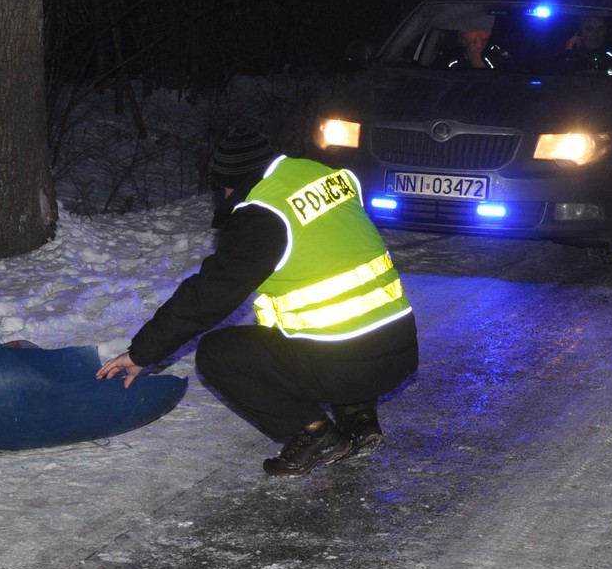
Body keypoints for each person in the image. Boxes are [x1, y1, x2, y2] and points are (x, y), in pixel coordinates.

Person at [97, 131, 418, 477]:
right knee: (331, 327)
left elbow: (206, 297)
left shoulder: (263, 213)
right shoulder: (322, 174)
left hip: (347, 364)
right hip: (400, 349)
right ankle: (359, 417)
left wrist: (141, 353)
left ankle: (315, 433)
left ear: (229, 184)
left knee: (218, 353)